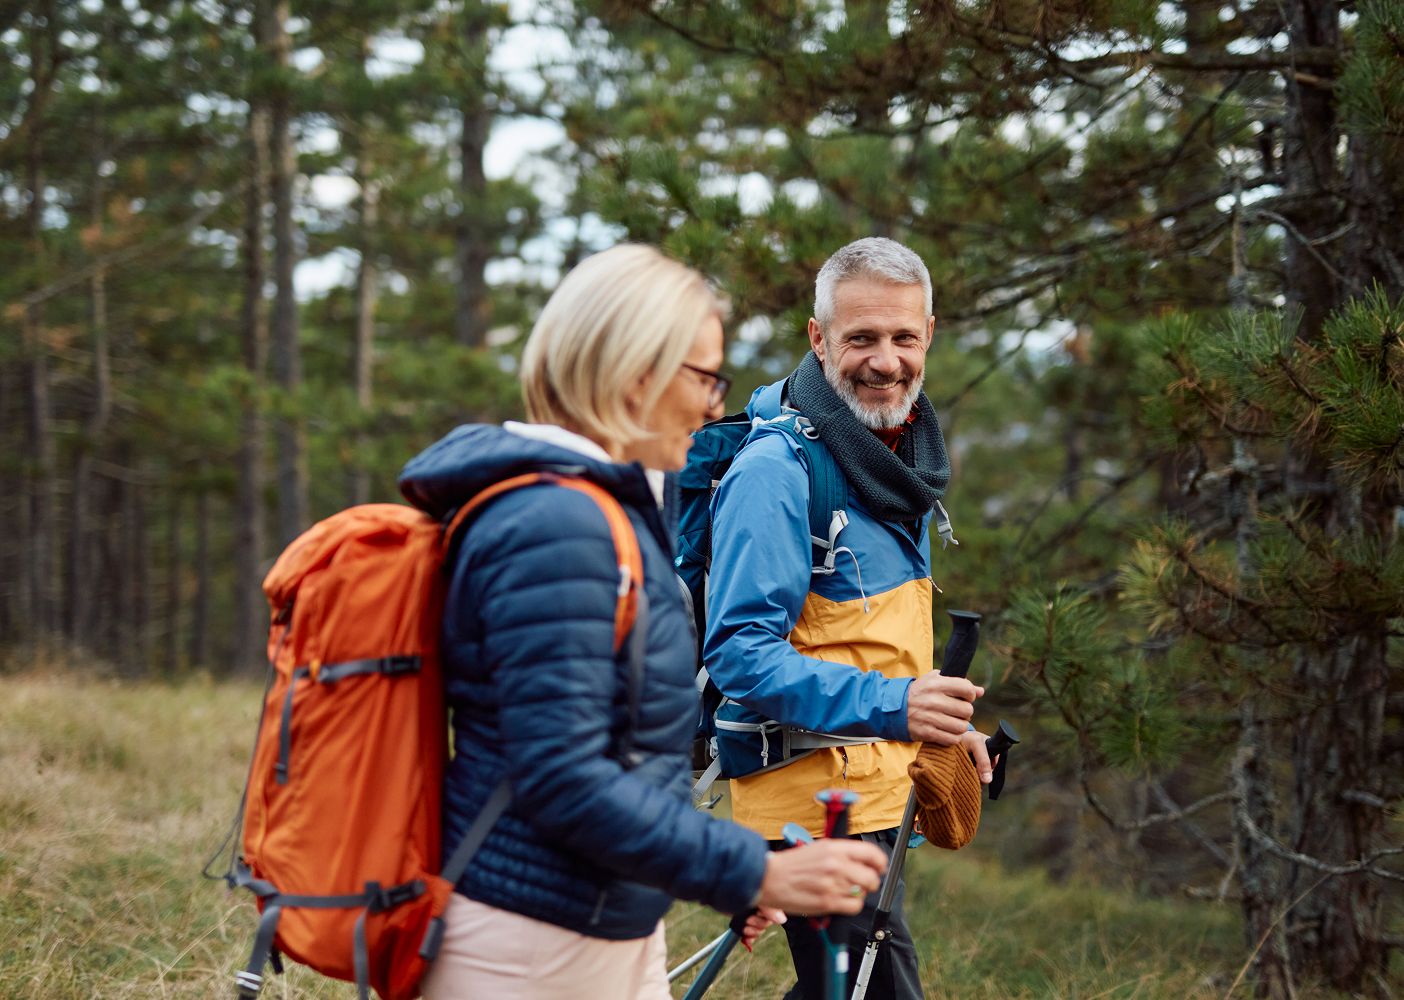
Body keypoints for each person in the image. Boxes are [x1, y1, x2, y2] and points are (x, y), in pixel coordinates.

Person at [398, 244, 888, 1000]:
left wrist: (727, 876)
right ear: (635, 373)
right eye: (704, 377)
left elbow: (628, 755)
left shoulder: (601, 511)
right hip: (528, 948)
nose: (710, 404)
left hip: (593, 927)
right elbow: (562, 779)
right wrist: (754, 866)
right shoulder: (555, 524)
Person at [702, 237, 994, 999]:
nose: (886, 360)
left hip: (878, 790)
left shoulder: (898, 462)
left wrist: (933, 720)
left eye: (903, 337)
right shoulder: (777, 469)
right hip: (811, 805)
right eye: (861, 337)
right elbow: (740, 654)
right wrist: (899, 706)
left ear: (929, 332)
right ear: (819, 338)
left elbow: (867, 641)